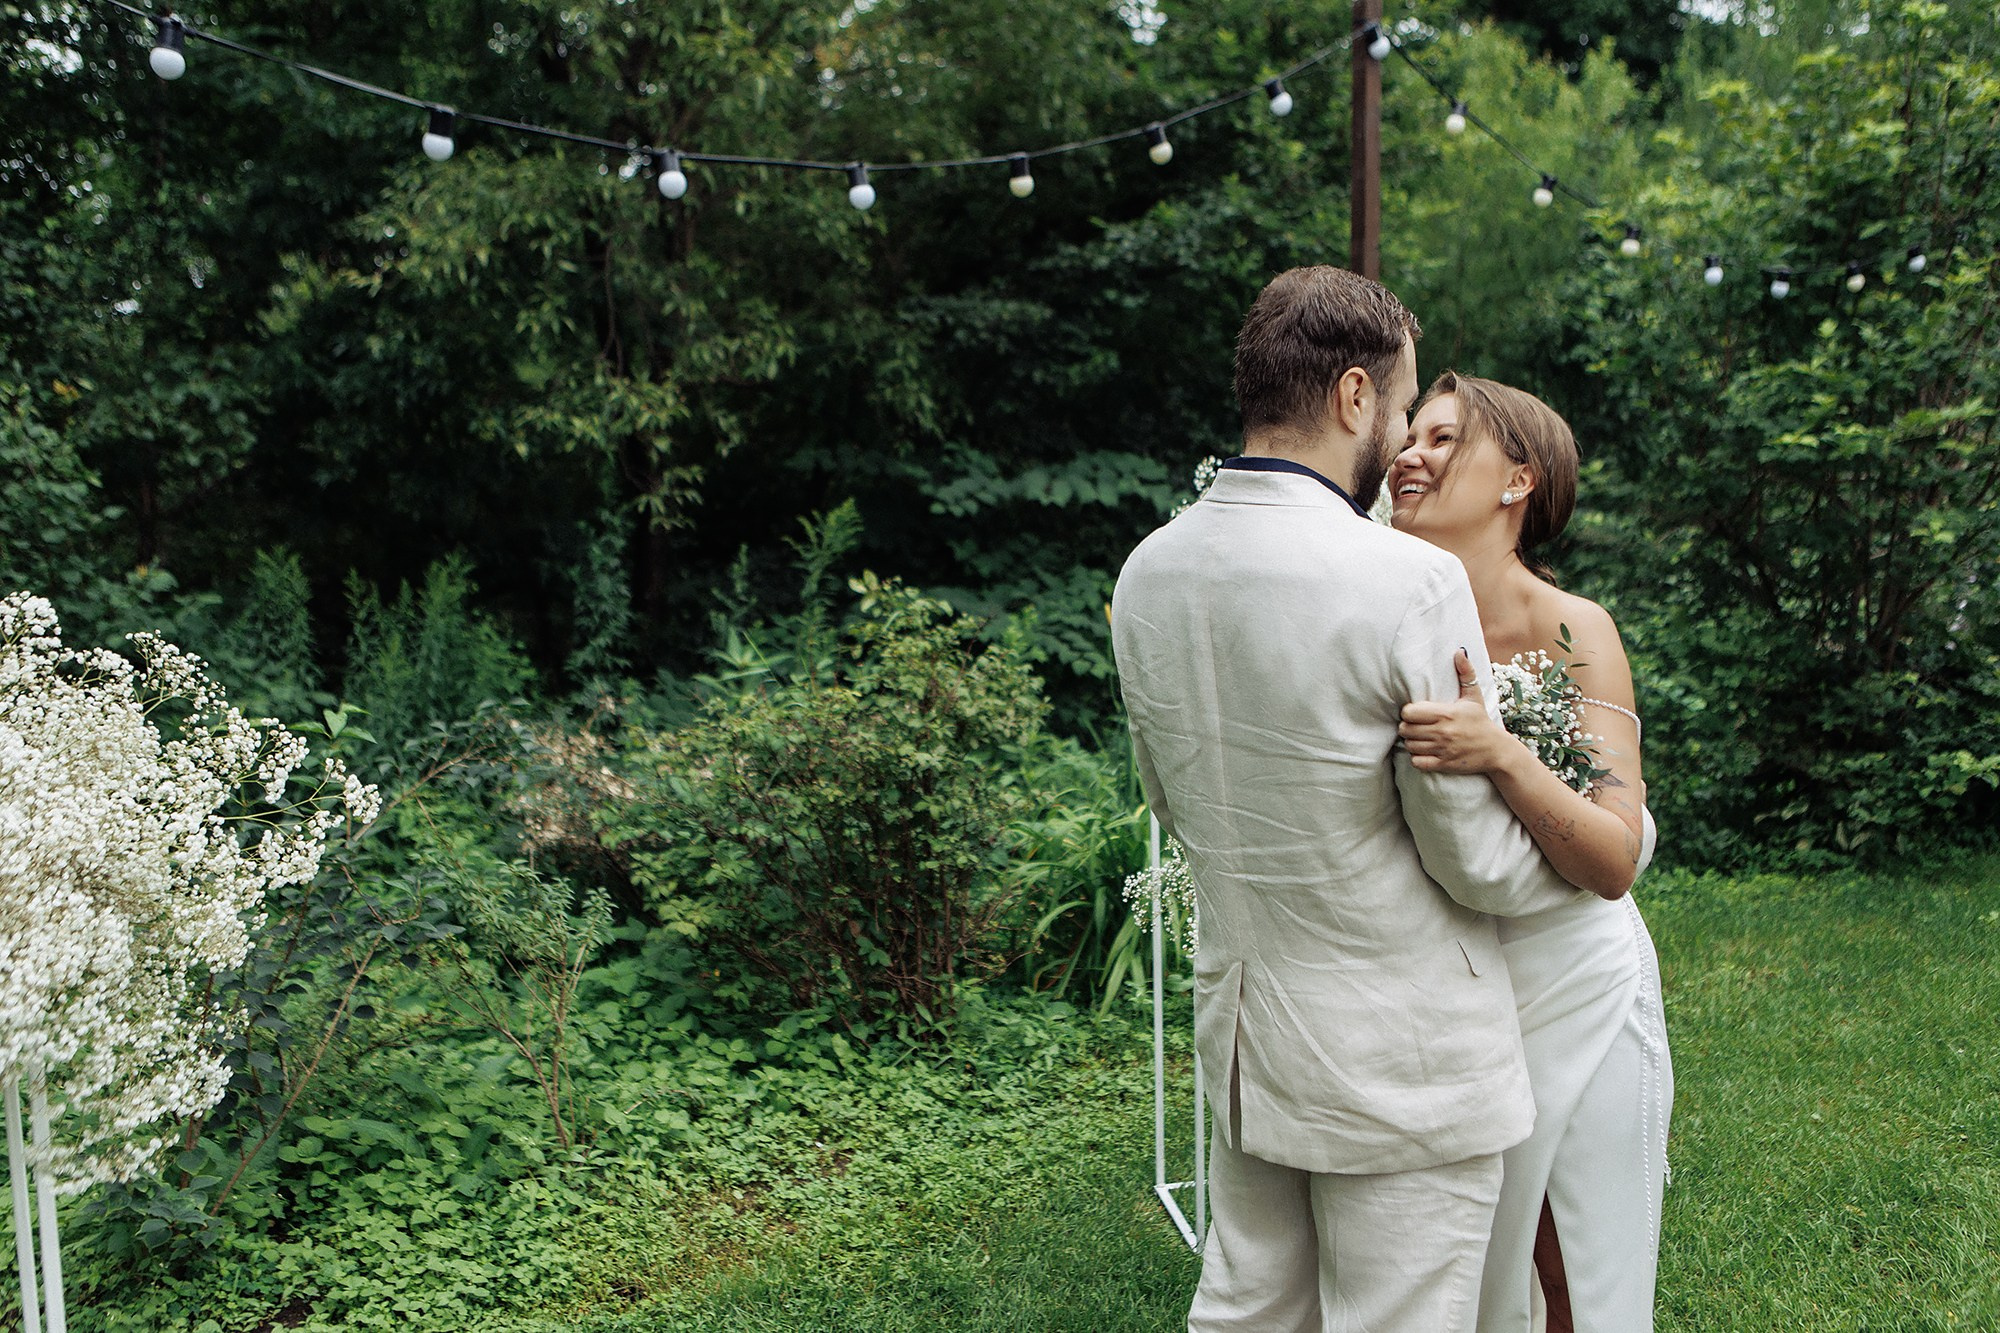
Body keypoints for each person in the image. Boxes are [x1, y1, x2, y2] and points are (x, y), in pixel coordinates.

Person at [1110, 265, 1590, 1333]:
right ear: (1353, 395)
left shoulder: (1146, 572)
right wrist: (1585, 860)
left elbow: (1168, 800)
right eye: (1405, 405)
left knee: (1247, 1310)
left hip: (1247, 1040)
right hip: (1401, 1060)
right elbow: (1469, 857)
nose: (1406, 437)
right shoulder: (1407, 582)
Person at [1392, 371, 1672, 1333]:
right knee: (1483, 1262)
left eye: (1442, 439)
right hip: (1456, 989)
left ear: (1519, 480)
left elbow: (1614, 857)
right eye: (1409, 436)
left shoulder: (1573, 629)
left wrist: (1502, 752)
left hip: (1579, 980)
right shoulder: (1385, 614)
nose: (1409, 454)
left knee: (1576, 1264)